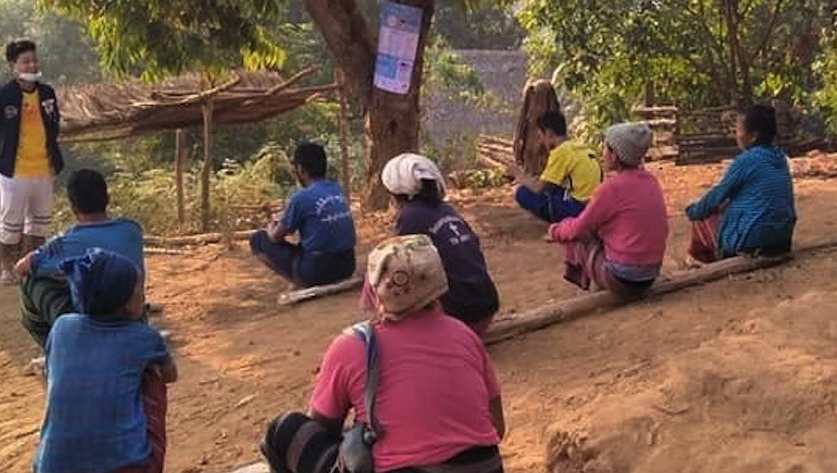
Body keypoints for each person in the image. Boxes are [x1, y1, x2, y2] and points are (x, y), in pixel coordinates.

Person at [260, 235, 507, 473]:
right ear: (439, 282)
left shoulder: (352, 346)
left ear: (376, 289)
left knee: (283, 434)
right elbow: (496, 428)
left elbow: (319, 433)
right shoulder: (464, 335)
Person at [33, 250, 177, 473]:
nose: (143, 296)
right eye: (138, 291)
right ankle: (127, 464)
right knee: (153, 375)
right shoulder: (143, 337)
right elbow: (171, 374)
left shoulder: (62, 327)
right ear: (124, 304)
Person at [14, 168, 146, 347]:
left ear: (73, 209)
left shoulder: (65, 243)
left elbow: (20, 268)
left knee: (30, 280)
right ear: (107, 199)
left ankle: (56, 348)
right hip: (133, 317)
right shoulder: (132, 230)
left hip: (90, 327)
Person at [372, 153, 500, 333]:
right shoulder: (447, 210)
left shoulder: (411, 216)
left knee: (384, 274)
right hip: (484, 309)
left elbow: (400, 269)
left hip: (458, 319)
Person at [0, 38, 63, 284]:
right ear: (14, 66)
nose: (32, 65)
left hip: (44, 168)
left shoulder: (47, 93)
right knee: (10, 221)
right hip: (15, 172)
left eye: (34, 60)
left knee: (39, 223)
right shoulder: (3, 95)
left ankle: (37, 264)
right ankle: (6, 267)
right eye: (26, 61)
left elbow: (54, 125)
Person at [544, 122, 668, 298]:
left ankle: (592, 287)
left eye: (605, 147)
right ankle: (599, 282)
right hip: (649, 275)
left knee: (578, 238)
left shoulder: (611, 188)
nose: (602, 153)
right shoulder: (651, 181)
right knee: (596, 230)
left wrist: (555, 231)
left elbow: (579, 227)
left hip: (624, 279)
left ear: (615, 155)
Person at [684, 104, 796, 263]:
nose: (736, 135)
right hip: (782, 241)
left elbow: (717, 196)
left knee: (701, 215)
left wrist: (692, 211)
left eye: (739, 130)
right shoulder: (780, 158)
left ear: (754, 136)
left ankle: (702, 261)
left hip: (751, 244)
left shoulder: (746, 161)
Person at [249, 142, 357, 288]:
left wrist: (270, 227)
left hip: (316, 270)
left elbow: (276, 237)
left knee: (258, 239)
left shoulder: (301, 198)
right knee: (309, 242)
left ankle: (298, 280)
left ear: (300, 169)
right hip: (347, 266)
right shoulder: (337, 189)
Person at [511, 110, 602, 223]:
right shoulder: (581, 147)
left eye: (541, 136)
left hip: (579, 209)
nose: (542, 142)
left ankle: (564, 225)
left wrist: (518, 174)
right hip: (596, 205)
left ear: (549, 133)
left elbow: (539, 188)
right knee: (553, 189)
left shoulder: (560, 152)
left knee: (522, 193)